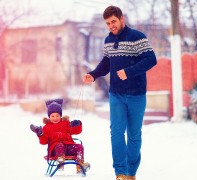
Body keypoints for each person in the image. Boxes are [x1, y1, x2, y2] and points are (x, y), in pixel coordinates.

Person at [82, 5, 157, 180]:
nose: (111, 26)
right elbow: (106, 62)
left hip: (136, 95)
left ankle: (132, 172)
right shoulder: (108, 41)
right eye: (108, 23)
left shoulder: (137, 37)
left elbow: (151, 59)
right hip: (116, 94)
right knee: (116, 133)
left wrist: (129, 71)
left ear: (122, 18)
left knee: (134, 134)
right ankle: (120, 172)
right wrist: (93, 75)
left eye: (113, 21)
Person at [30, 98, 90, 175]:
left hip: (68, 147)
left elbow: (76, 131)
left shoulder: (66, 124)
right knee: (59, 145)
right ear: (49, 116)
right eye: (53, 116)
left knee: (79, 147)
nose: (55, 118)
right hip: (55, 150)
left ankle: (80, 167)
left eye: (57, 116)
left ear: (60, 115)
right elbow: (43, 141)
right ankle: (60, 161)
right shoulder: (46, 127)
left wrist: (77, 124)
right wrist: (41, 134)